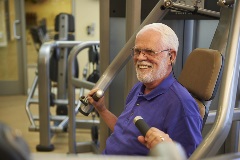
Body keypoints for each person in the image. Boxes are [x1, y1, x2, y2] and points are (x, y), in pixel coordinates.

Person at [87, 23, 203, 157]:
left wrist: (169, 147)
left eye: (149, 51)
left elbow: (192, 157)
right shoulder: (140, 87)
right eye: (137, 51)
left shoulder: (182, 104)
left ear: (171, 56)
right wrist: (102, 109)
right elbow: (125, 134)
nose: (140, 57)